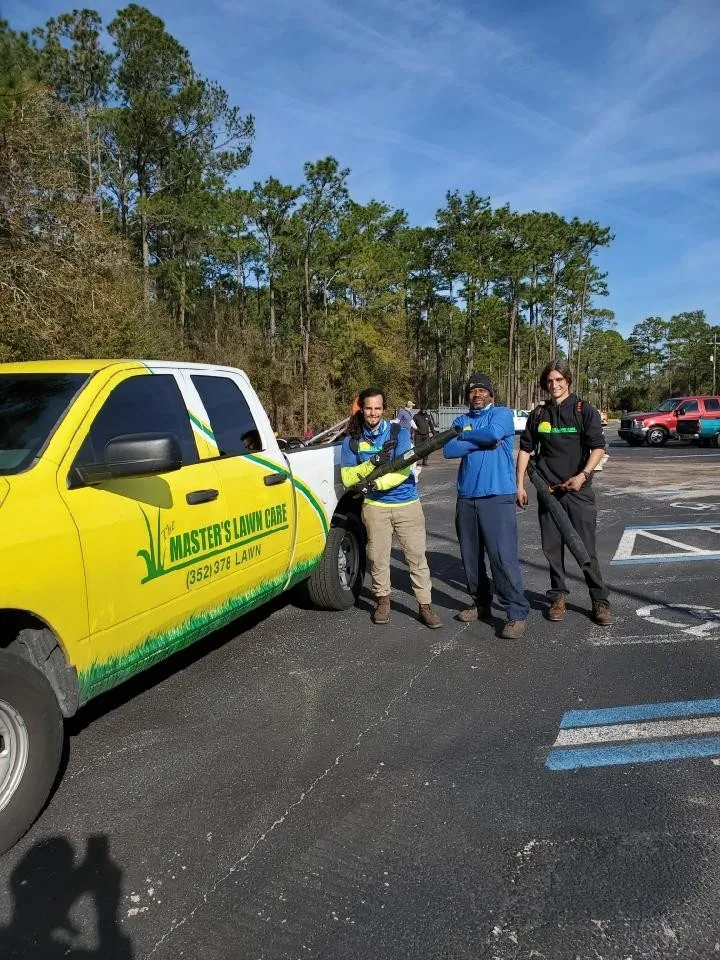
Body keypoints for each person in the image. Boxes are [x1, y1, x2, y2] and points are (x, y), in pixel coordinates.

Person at [516, 359, 612, 626]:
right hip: (548, 491)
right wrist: (520, 485)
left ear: (568, 380)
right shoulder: (538, 415)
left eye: (559, 379)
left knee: (585, 549)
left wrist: (583, 476)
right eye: (549, 381)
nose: (554, 385)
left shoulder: (584, 410)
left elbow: (598, 448)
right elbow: (526, 449)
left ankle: (599, 601)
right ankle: (558, 597)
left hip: (578, 492)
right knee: (552, 548)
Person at [340, 387, 442, 629]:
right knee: (378, 558)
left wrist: (374, 482)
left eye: (377, 408)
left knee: (416, 557)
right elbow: (347, 478)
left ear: (383, 410)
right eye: (368, 408)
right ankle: (383, 601)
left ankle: (425, 606)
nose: (373, 413)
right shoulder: (352, 441)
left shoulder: (398, 432)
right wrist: (372, 463)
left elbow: (403, 470)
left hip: (406, 504)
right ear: (362, 410)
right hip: (375, 507)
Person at [443, 372, 530, 639]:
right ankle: (480, 603)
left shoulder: (502, 414)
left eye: (482, 390)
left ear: (490, 394)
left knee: (502, 558)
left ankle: (515, 613)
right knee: (471, 558)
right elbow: (448, 450)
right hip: (467, 496)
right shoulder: (460, 419)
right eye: (472, 391)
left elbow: (493, 434)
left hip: (497, 496)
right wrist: (477, 439)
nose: (477, 394)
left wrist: (467, 438)